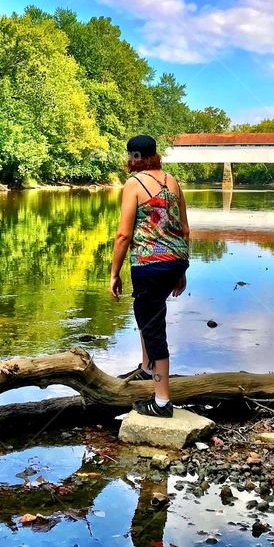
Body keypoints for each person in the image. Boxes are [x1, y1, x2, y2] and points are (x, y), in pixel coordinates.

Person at [109, 134, 190, 418]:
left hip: (149, 263)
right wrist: (182, 270)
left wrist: (114, 273)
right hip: (175, 260)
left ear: (136, 157)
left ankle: (162, 401)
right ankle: (146, 369)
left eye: (131, 157)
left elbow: (123, 235)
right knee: (147, 311)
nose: (129, 162)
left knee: (153, 325)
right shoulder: (173, 181)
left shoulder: (134, 184)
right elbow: (185, 229)